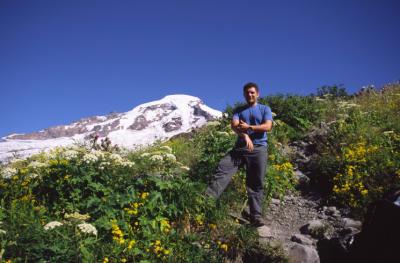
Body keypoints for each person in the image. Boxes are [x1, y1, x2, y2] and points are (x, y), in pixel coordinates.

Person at [206, 82, 273, 227]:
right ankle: (205, 203)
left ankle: (255, 216)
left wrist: (249, 127)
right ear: (244, 95)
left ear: (257, 94)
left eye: (252, 92)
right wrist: (244, 135)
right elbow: (234, 125)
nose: (250, 95)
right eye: (247, 93)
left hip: (259, 149)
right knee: (223, 168)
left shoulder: (264, 109)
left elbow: (268, 126)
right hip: (240, 148)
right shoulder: (239, 110)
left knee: (256, 182)